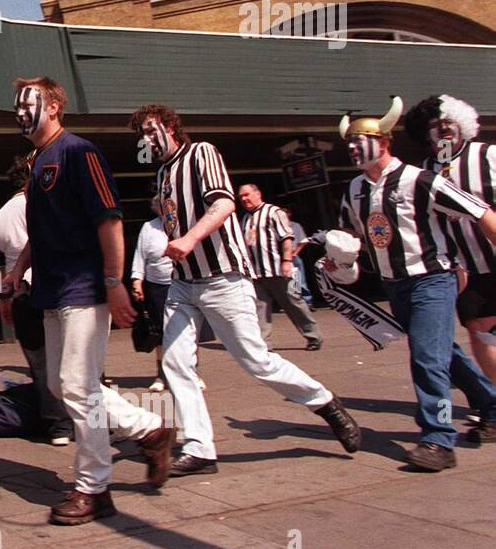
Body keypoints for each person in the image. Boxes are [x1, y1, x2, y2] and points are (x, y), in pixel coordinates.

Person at [129, 104, 361, 477]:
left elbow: (223, 203)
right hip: (183, 284)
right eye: (140, 133)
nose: (145, 138)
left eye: (149, 129)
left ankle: (325, 403)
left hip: (223, 279)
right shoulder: (164, 172)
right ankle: (200, 448)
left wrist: (188, 240)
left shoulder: (200, 152)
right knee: (174, 363)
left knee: (256, 361)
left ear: (170, 126)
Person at [6, 77, 174, 525]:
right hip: (51, 289)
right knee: (65, 387)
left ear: (56, 105)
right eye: (17, 105)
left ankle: (94, 488)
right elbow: (39, 229)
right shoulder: (37, 159)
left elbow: (110, 220)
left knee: (77, 386)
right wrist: (19, 267)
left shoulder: (79, 152)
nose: (21, 111)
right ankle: (150, 430)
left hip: (83, 285)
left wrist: (115, 280)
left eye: (30, 102)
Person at [336, 97, 496, 466]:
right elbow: (352, 231)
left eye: (361, 142)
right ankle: (490, 404)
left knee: (427, 358)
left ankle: (439, 439)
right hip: (395, 284)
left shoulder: (420, 179)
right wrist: (338, 254)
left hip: (432, 280)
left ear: (385, 142)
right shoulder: (355, 190)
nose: (354, 149)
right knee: (444, 353)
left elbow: (478, 209)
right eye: (349, 144)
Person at [404, 94, 496, 387]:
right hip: (467, 270)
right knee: (480, 330)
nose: (444, 129)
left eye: (449, 122)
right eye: (435, 125)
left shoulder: (488, 156)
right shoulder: (423, 172)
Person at [0, 155, 71, 445]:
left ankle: (58, 426)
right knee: (76, 357)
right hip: (54, 288)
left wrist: (4, 301)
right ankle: (93, 421)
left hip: (21, 296)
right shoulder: (41, 204)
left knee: (40, 362)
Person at [131, 193, 206, 392]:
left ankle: (192, 372)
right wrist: (137, 280)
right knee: (160, 332)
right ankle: (162, 375)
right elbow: (140, 255)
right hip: (156, 287)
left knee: (188, 331)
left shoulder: (185, 225)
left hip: (183, 282)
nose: (166, 210)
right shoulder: (149, 227)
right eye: (162, 206)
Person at [238, 184, 323, 350]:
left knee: (294, 301)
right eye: (241, 197)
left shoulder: (274, 212)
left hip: (279, 269)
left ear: (258, 193)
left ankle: (313, 336)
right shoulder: (245, 219)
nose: (244, 199)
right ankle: (263, 343)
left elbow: (287, 237)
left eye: (247, 194)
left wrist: (287, 261)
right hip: (256, 272)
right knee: (260, 307)